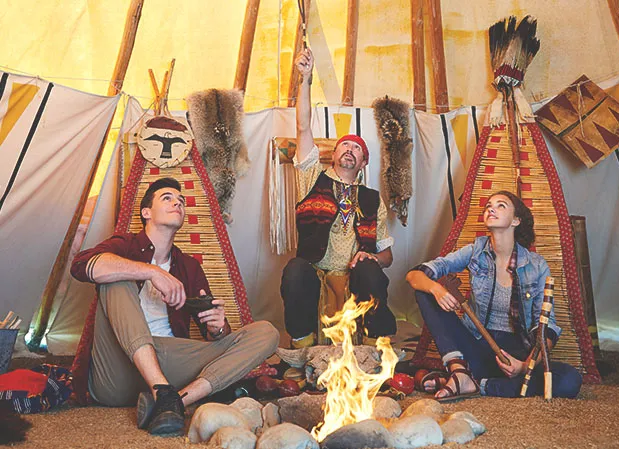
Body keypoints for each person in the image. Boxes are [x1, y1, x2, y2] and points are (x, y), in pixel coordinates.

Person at [71, 177, 279, 435]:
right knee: (115, 275)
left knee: (267, 332)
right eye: (167, 198)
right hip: (116, 369)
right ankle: (162, 390)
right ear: (146, 212)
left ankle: (175, 401)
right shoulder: (126, 246)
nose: (177, 203)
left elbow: (215, 335)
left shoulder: (188, 266)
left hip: (171, 362)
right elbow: (80, 265)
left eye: (181, 201)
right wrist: (152, 272)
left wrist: (218, 329)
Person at [406, 191, 582, 400]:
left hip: (513, 354)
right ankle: (459, 370)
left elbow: (547, 326)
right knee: (424, 292)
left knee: (569, 380)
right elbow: (415, 275)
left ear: (516, 220)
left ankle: (475, 383)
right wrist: (437, 289)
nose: (491, 208)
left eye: (501, 205)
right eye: (489, 205)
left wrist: (525, 366)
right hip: (474, 344)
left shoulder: (536, 265)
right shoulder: (475, 251)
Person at [281, 48, 397, 348]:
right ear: (333, 155)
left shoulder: (372, 199)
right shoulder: (311, 179)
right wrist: (305, 80)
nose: (349, 149)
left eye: (356, 148)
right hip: (316, 272)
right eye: (344, 145)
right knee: (294, 270)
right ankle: (303, 347)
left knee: (372, 271)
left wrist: (371, 256)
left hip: (355, 276)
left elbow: (387, 255)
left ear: (363, 162)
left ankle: (374, 349)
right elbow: (303, 127)